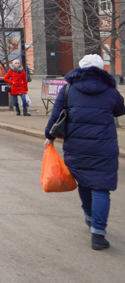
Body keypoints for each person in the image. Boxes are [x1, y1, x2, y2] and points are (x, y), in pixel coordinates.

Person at [45, 54, 125, 251]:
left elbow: (55, 116)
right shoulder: (110, 90)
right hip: (104, 147)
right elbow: (120, 110)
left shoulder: (69, 89)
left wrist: (49, 137)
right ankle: (98, 233)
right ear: (101, 69)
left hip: (76, 146)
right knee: (101, 188)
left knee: (84, 182)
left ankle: (89, 217)